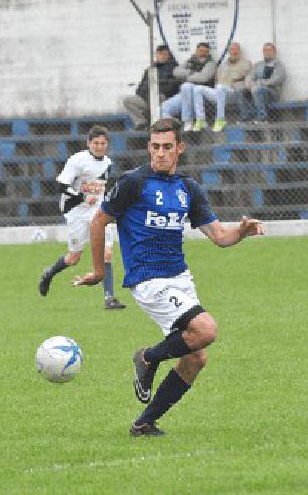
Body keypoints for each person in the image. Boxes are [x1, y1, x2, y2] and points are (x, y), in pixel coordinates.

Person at [73, 117, 264, 437]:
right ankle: (147, 358)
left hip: (180, 279)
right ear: (149, 148)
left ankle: (144, 422)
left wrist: (241, 233)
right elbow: (98, 222)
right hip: (148, 278)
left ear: (180, 148)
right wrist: (97, 270)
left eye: (167, 147)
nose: (160, 153)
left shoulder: (188, 189)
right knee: (206, 329)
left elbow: (218, 236)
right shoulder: (133, 182)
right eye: (155, 147)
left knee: (196, 357)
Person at [37, 126, 126, 310]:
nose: (99, 147)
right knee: (73, 258)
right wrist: (83, 197)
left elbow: (101, 188)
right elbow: (61, 185)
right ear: (88, 143)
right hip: (77, 211)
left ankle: (109, 298)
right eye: (96, 143)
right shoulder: (77, 161)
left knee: (107, 253)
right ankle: (49, 273)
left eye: (103, 143)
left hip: (98, 212)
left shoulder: (108, 163)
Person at [179, 42, 252, 133]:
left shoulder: (246, 64)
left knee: (220, 87)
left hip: (235, 93)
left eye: (236, 49)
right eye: (232, 49)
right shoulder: (222, 66)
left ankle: (220, 119)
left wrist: (241, 85)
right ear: (228, 51)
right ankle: (201, 120)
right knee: (198, 89)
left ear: (239, 51)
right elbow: (216, 82)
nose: (234, 51)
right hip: (220, 93)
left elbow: (249, 82)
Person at [121, 45, 180, 131]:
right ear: (156, 55)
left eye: (165, 54)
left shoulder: (173, 68)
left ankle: (157, 125)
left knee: (159, 97)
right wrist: (146, 93)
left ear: (169, 55)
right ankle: (141, 123)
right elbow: (140, 88)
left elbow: (171, 88)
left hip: (162, 99)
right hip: (146, 98)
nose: (163, 56)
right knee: (127, 100)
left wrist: (155, 91)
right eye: (160, 54)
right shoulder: (150, 69)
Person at [159, 43, 216, 124]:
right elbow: (175, 72)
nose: (203, 53)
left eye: (205, 51)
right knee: (163, 109)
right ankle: (174, 127)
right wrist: (191, 72)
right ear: (196, 51)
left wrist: (186, 77)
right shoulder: (190, 61)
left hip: (199, 95)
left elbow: (203, 77)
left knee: (186, 86)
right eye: (201, 50)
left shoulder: (210, 63)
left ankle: (188, 124)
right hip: (184, 93)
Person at [239, 43, 287, 124]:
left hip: (272, 93)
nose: (267, 52)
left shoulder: (278, 65)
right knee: (241, 91)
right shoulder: (258, 65)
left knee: (257, 89)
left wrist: (259, 83)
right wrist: (248, 83)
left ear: (274, 52)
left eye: (269, 50)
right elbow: (250, 76)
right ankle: (246, 118)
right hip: (256, 90)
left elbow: (276, 80)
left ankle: (262, 118)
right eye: (265, 50)